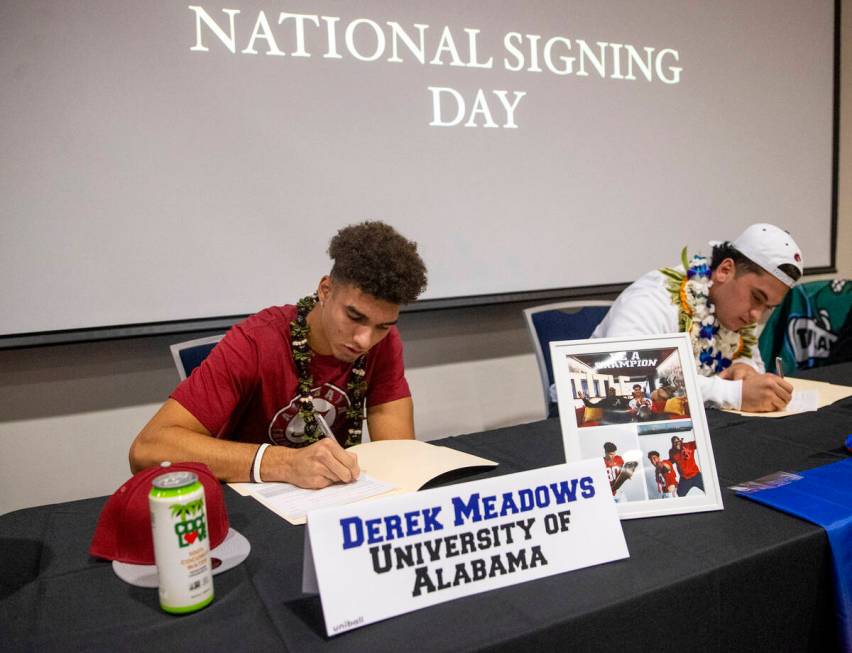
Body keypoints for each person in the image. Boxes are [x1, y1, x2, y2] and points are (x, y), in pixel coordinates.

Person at [129, 221, 428, 489]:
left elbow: (397, 455)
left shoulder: (383, 343)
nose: (365, 340)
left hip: (328, 503)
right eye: (354, 316)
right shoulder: (255, 342)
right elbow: (147, 449)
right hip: (250, 502)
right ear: (325, 290)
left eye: (383, 326)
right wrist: (285, 463)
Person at [592, 223, 802, 412]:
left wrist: (746, 370)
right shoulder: (654, 299)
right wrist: (732, 394)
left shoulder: (735, 313)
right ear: (725, 270)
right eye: (756, 297)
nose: (756, 316)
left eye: (768, 308)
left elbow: (749, 366)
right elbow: (628, 380)